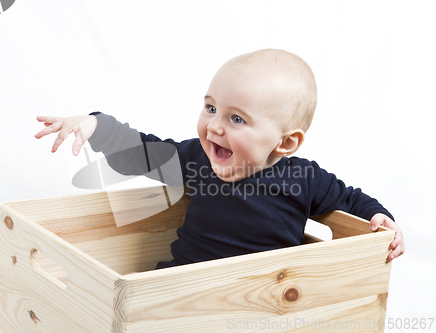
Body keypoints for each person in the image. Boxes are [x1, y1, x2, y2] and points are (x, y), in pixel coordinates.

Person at [35, 49, 405, 268]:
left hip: (262, 296)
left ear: (287, 143)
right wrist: (97, 126)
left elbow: (351, 200)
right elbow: (144, 154)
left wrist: (381, 218)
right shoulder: (197, 159)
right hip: (181, 285)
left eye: (237, 118)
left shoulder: (305, 180)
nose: (214, 126)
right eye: (211, 107)